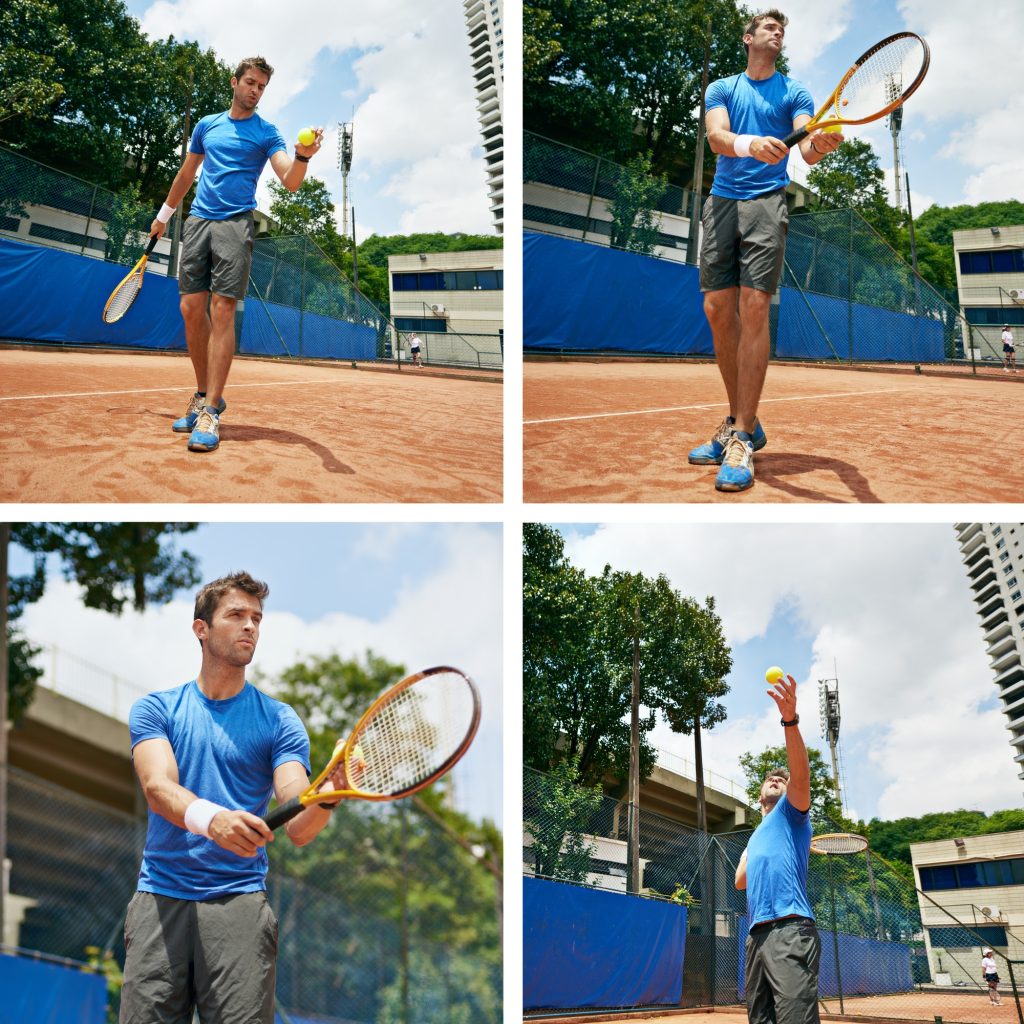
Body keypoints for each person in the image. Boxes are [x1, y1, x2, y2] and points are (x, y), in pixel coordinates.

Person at [120, 571, 352, 1024]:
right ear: (201, 629)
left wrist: (326, 796)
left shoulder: (281, 722)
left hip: (239, 902)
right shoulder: (156, 709)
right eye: (236, 615)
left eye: (257, 618)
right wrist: (215, 821)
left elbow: (299, 824)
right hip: (160, 899)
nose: (250, 626)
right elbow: (158, 788)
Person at [689, 9, 843, 492]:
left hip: (766, 203)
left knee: (754, 306)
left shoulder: (795, 92)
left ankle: (739, 439)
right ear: (749, 37)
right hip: (721, 202)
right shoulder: (722, 89)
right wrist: (752, 143)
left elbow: (808, 148)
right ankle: (745, 422)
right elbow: (717, 137)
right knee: (717, 307)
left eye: (782, 30)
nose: (777, 33)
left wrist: (822, 144)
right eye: (769, 27)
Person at [149, 57, 323, 453]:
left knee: (223, 309)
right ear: (235, 82)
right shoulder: (207, 125)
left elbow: (291, 182)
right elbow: (186, 173)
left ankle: (211, 409)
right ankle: (202, 393)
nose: (255, 91)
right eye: (250, 82)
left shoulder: (267, 133)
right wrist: (164, 216)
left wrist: (303, 155)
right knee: (192, 310)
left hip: (235, 224)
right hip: (196, 221)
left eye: (262, 86)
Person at [735, 672, 820, 1024]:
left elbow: (801, 777)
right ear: (759, 795)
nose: (776, 779)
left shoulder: (791, 813)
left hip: (789, 928)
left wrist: (790, 720)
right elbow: (740, 880)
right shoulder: (757, 835)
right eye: (770, 779)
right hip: (756, 936)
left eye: (781, 779)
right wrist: (750, 849)